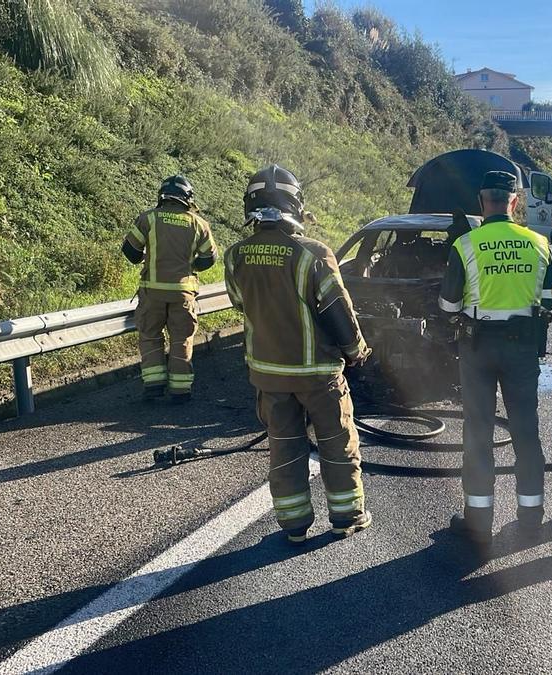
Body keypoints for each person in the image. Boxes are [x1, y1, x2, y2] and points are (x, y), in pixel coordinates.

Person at [223, 164, 372, 544]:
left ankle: (293, 526)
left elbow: (241, 304)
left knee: (284, 449)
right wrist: (357, 351)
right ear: (296, 205)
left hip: (268, 375)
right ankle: (347, 516)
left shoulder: (236, 256)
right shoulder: (313, 254)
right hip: (318, 375)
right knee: (337, 444)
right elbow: (338, 310)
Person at [438, 170, 552, 546]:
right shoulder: (539, 243)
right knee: (526, 432)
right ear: (514, 201)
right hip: (522, 348)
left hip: (478, 348)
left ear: (481, 202)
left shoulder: (466, 244)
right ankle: (531, 519)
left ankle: (478, 522)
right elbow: (549, 299)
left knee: (478, 433)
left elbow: (448, 306)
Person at [122, 175, 217, 403]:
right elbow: (210, 258)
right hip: (183, 293)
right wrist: (191, 266)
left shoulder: (148, 219)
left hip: (152, 293)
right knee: (181, 338)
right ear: (188, 198)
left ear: (162, 196)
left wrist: (148, 258)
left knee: (150, 336)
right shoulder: (198, 224)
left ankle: (154, 385)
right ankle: (180, 390)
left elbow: (131, 252)